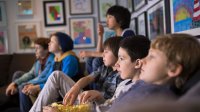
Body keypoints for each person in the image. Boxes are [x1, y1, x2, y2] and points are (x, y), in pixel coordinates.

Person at [108, 34, 200, 112]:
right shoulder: (141, 85)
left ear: (173, 69)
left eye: (152, 57)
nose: (142, 60)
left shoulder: (158, 99)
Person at [29, 36, 123, 112]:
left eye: (106, 52)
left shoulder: (123, 75)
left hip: (101, 106)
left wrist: (98, 95)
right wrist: (76, 88)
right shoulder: (104, 68)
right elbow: (88, 78)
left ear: (118, 54)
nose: (102, 55)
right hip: (89, 100)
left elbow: (113, 103)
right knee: (56, 75)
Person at [78, 35, 150, 112]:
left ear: (137, 63)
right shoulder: (123, 84)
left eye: (121, 59)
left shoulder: (141, 93)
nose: (116, 64)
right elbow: (109, 106)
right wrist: (98, 97)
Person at [79, 5, 135, 75]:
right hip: (114, 62)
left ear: (120, 20)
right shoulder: (113, 35)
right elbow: (100, 53)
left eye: (110, 17)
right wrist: (100, 35)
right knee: (90, 59)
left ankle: (98, 85)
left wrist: (90, 53)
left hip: (123, 63)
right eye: (106, 17)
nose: (107, 20)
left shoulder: (128, 33)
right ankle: (93, 85)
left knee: (97, 61)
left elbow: (116, 54)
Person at [5, 37, 55, 112]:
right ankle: (17, 101)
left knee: (22, 86)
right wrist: (14, 83)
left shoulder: (52, 60)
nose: (35, 50)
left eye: (38, 48)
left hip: (43, 82)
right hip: (37, 79)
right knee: (17, 74)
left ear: (46, 49)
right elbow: (30, 74)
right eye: (35, 48)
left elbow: (43, 77)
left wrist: (21, 84)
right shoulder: (39, 60)